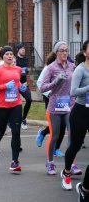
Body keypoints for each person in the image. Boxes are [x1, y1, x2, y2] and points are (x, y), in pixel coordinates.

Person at [40, 41, 80, 177]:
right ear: (56, 52)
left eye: (66, 50)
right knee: (55, 136)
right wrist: (55, 82)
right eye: (62, 50)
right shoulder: (51, 68)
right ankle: (50, 162)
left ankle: (71, 164)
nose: (64, 53)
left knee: (72, 135)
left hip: (70, 106)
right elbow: (42, 87)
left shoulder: (73, 66)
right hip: (54, 107)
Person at [0, 46, 27, 172]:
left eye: (11, 54)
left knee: (16, 131)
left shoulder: (18, 69)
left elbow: (17, 83)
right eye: (7, 54)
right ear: (2, 56)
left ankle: (15, 161)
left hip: (16, 103)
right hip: (2, 105)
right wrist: (5, 86)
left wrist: (21, 87)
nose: (9, 56)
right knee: (0, 130)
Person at [61, 40, 89, 191]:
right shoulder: (80, 69)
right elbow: (73, 92)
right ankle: (66, 172)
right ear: (85, 52)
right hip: (80, 111)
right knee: (76, 145)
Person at [36, 52, 66, 158]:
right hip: (51, 98)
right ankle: (43, 134)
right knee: (55, 125)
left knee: (63, 124)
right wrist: (49, 94)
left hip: (64, 99)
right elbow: (40, 83)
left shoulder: (68, 66)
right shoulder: (49, 68)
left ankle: (56, 149)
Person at [15, 43, 32, 130]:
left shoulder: (26, 59)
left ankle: (23, 118)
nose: (23, 50)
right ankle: (11, 121)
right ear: (18, 50)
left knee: (29, 99)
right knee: (14, 103)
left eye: (24, 49)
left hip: (24, 84)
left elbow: (26, 71)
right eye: (22, 49)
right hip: (15, 84)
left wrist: (25, 79)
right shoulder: (15, 60)